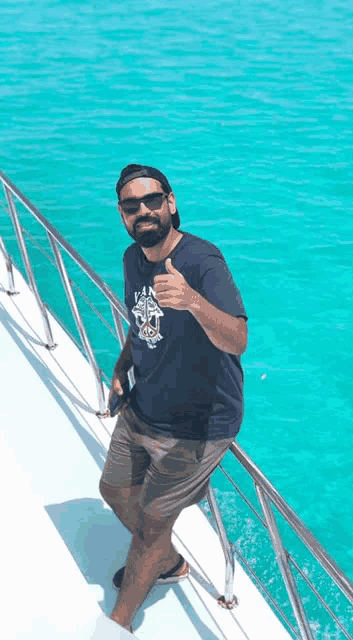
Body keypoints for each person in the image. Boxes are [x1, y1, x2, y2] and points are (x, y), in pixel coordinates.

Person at [99, 164, 248, 634]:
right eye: (130, 205)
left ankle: (118, 623)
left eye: (151, 200)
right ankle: (167, 563)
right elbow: (142, 324)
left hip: (195, 427)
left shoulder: (203, 262)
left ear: (171, 203)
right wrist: (123, 366)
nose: (142, 210)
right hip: (144, 406)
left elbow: (238, 339)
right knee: (113, 491)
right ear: (122, 215)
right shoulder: (131, 259)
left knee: (148, 525)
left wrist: (192, 302)